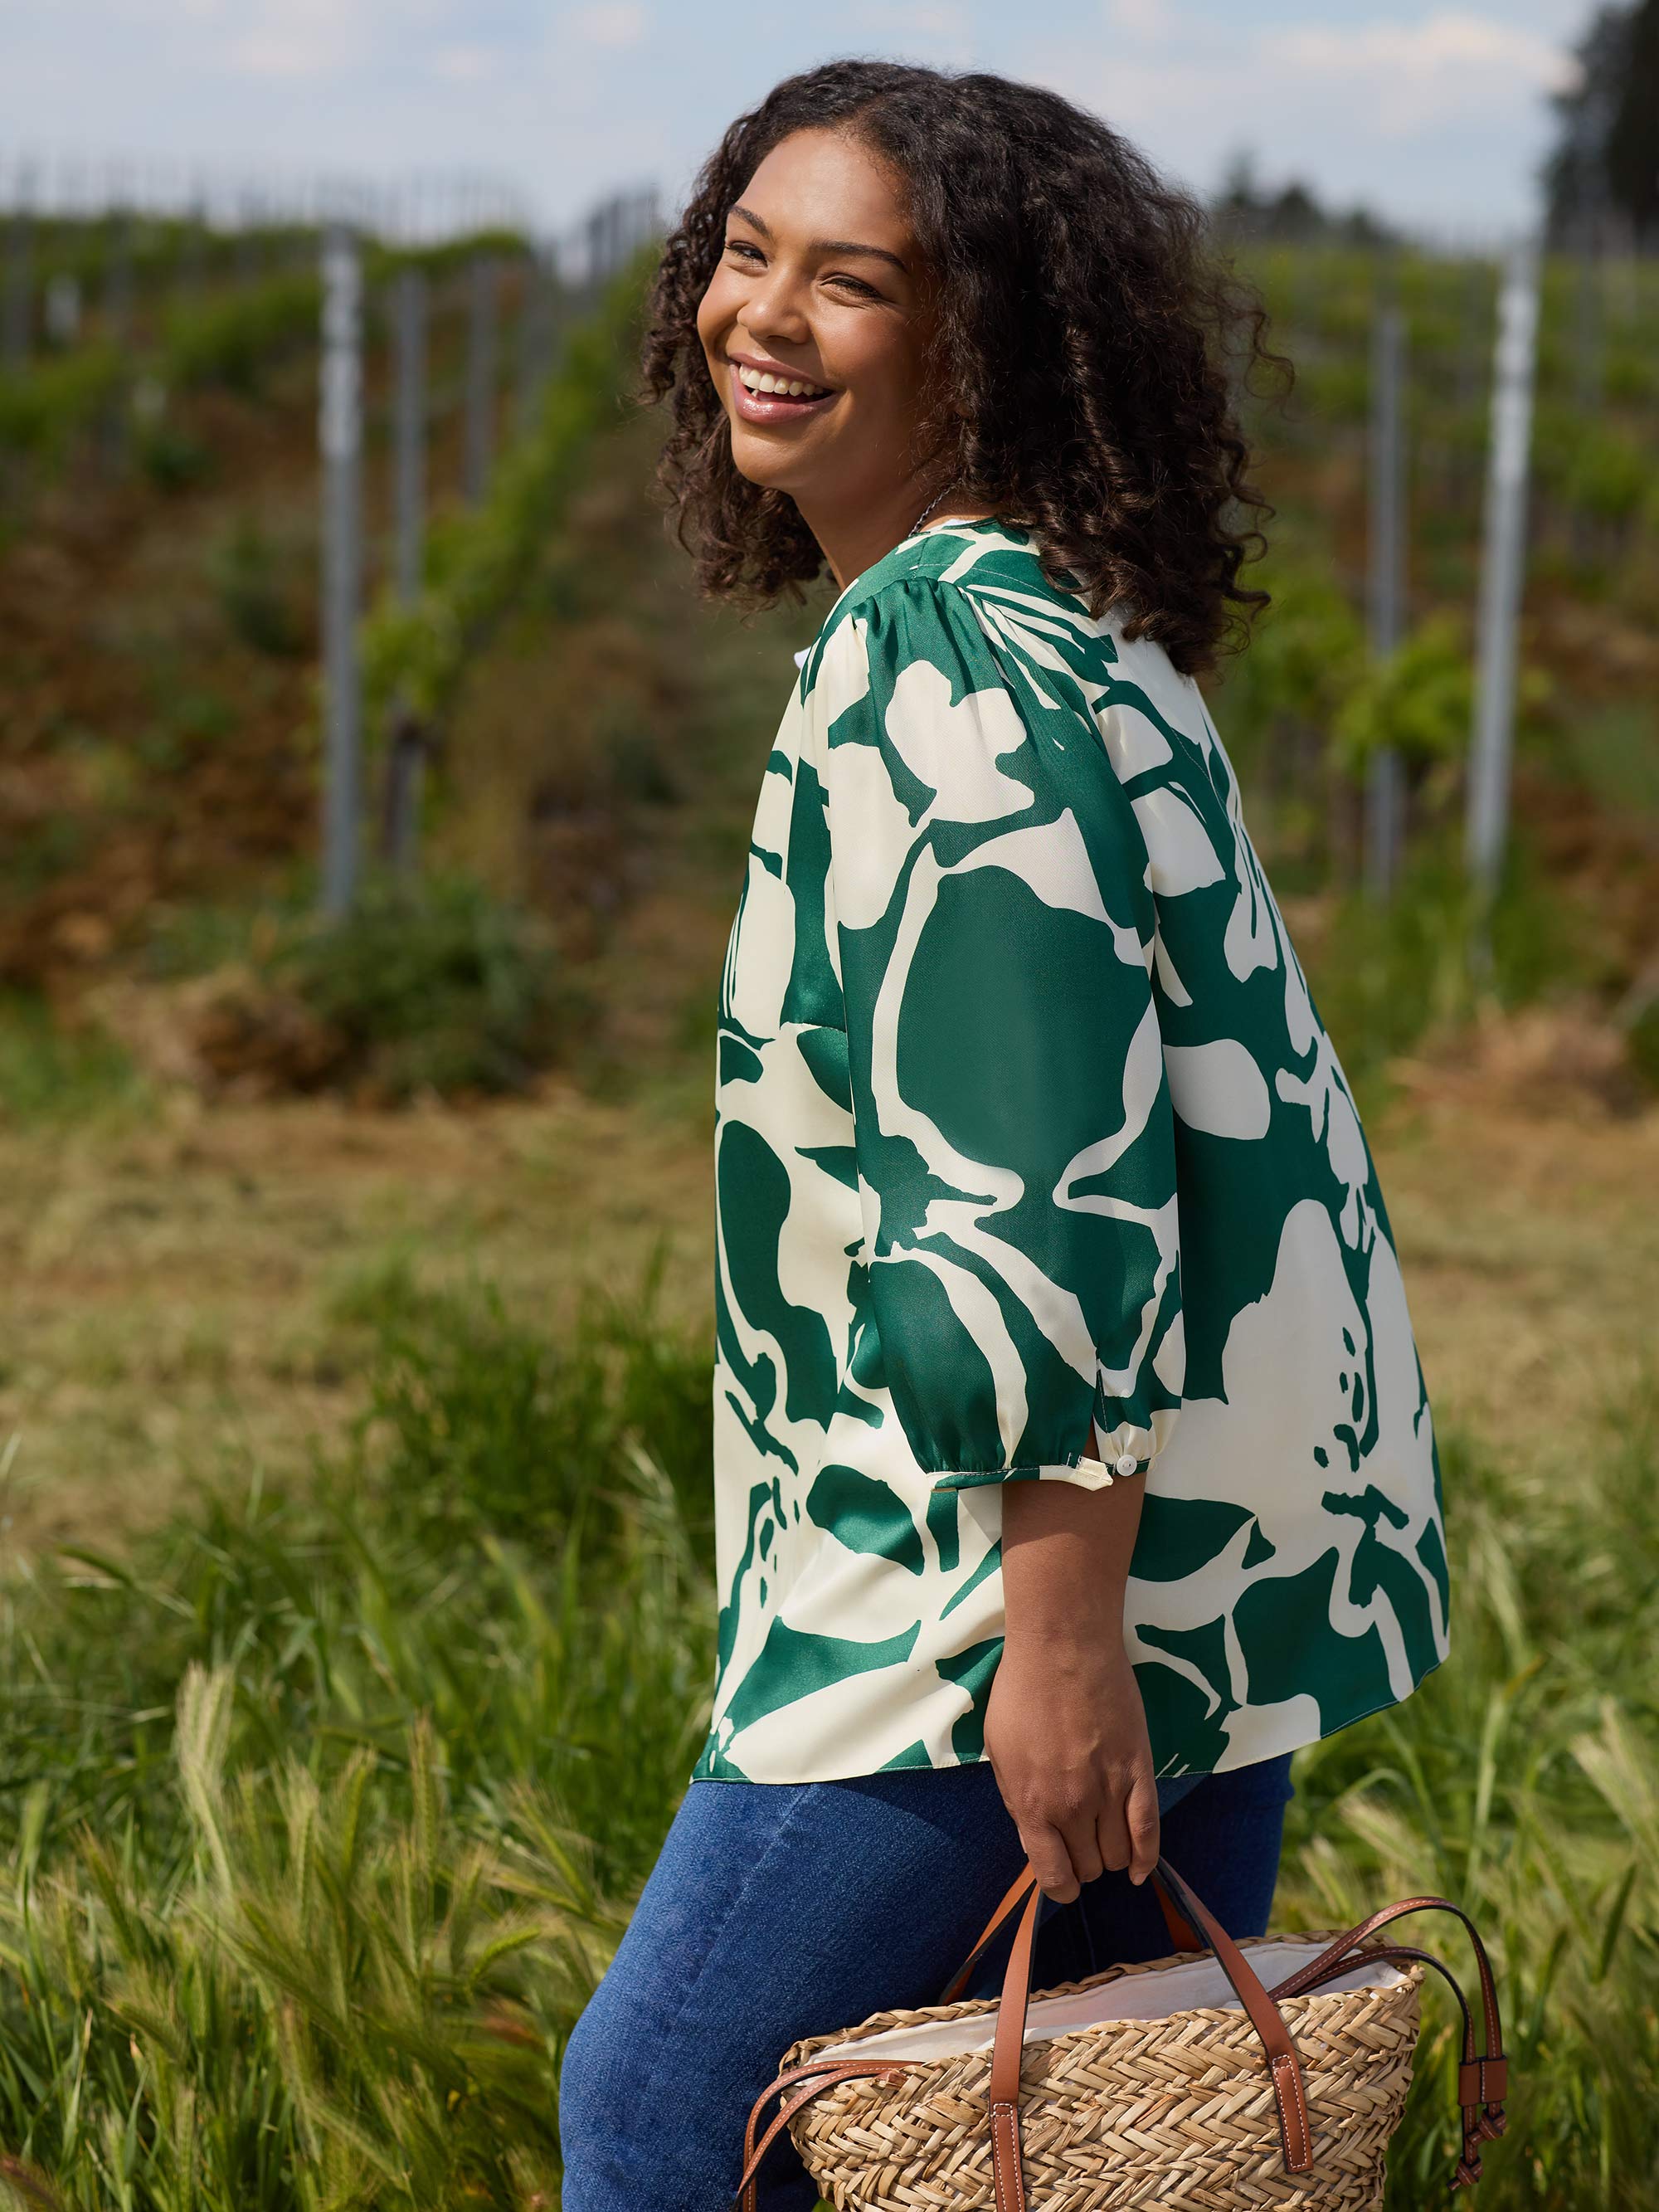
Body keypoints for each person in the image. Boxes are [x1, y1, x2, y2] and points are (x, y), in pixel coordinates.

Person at [557, 58, 1449, 2212]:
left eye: (850, 279)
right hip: (1205, 1551)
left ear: (985, 346)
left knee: (672, 2118)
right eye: (744, 251)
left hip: (983, 1589)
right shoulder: (1069, 614)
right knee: (1069, 2145)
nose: (764, 315)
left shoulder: (941, 666)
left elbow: (1035, 1177)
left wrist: (1054, 1646)